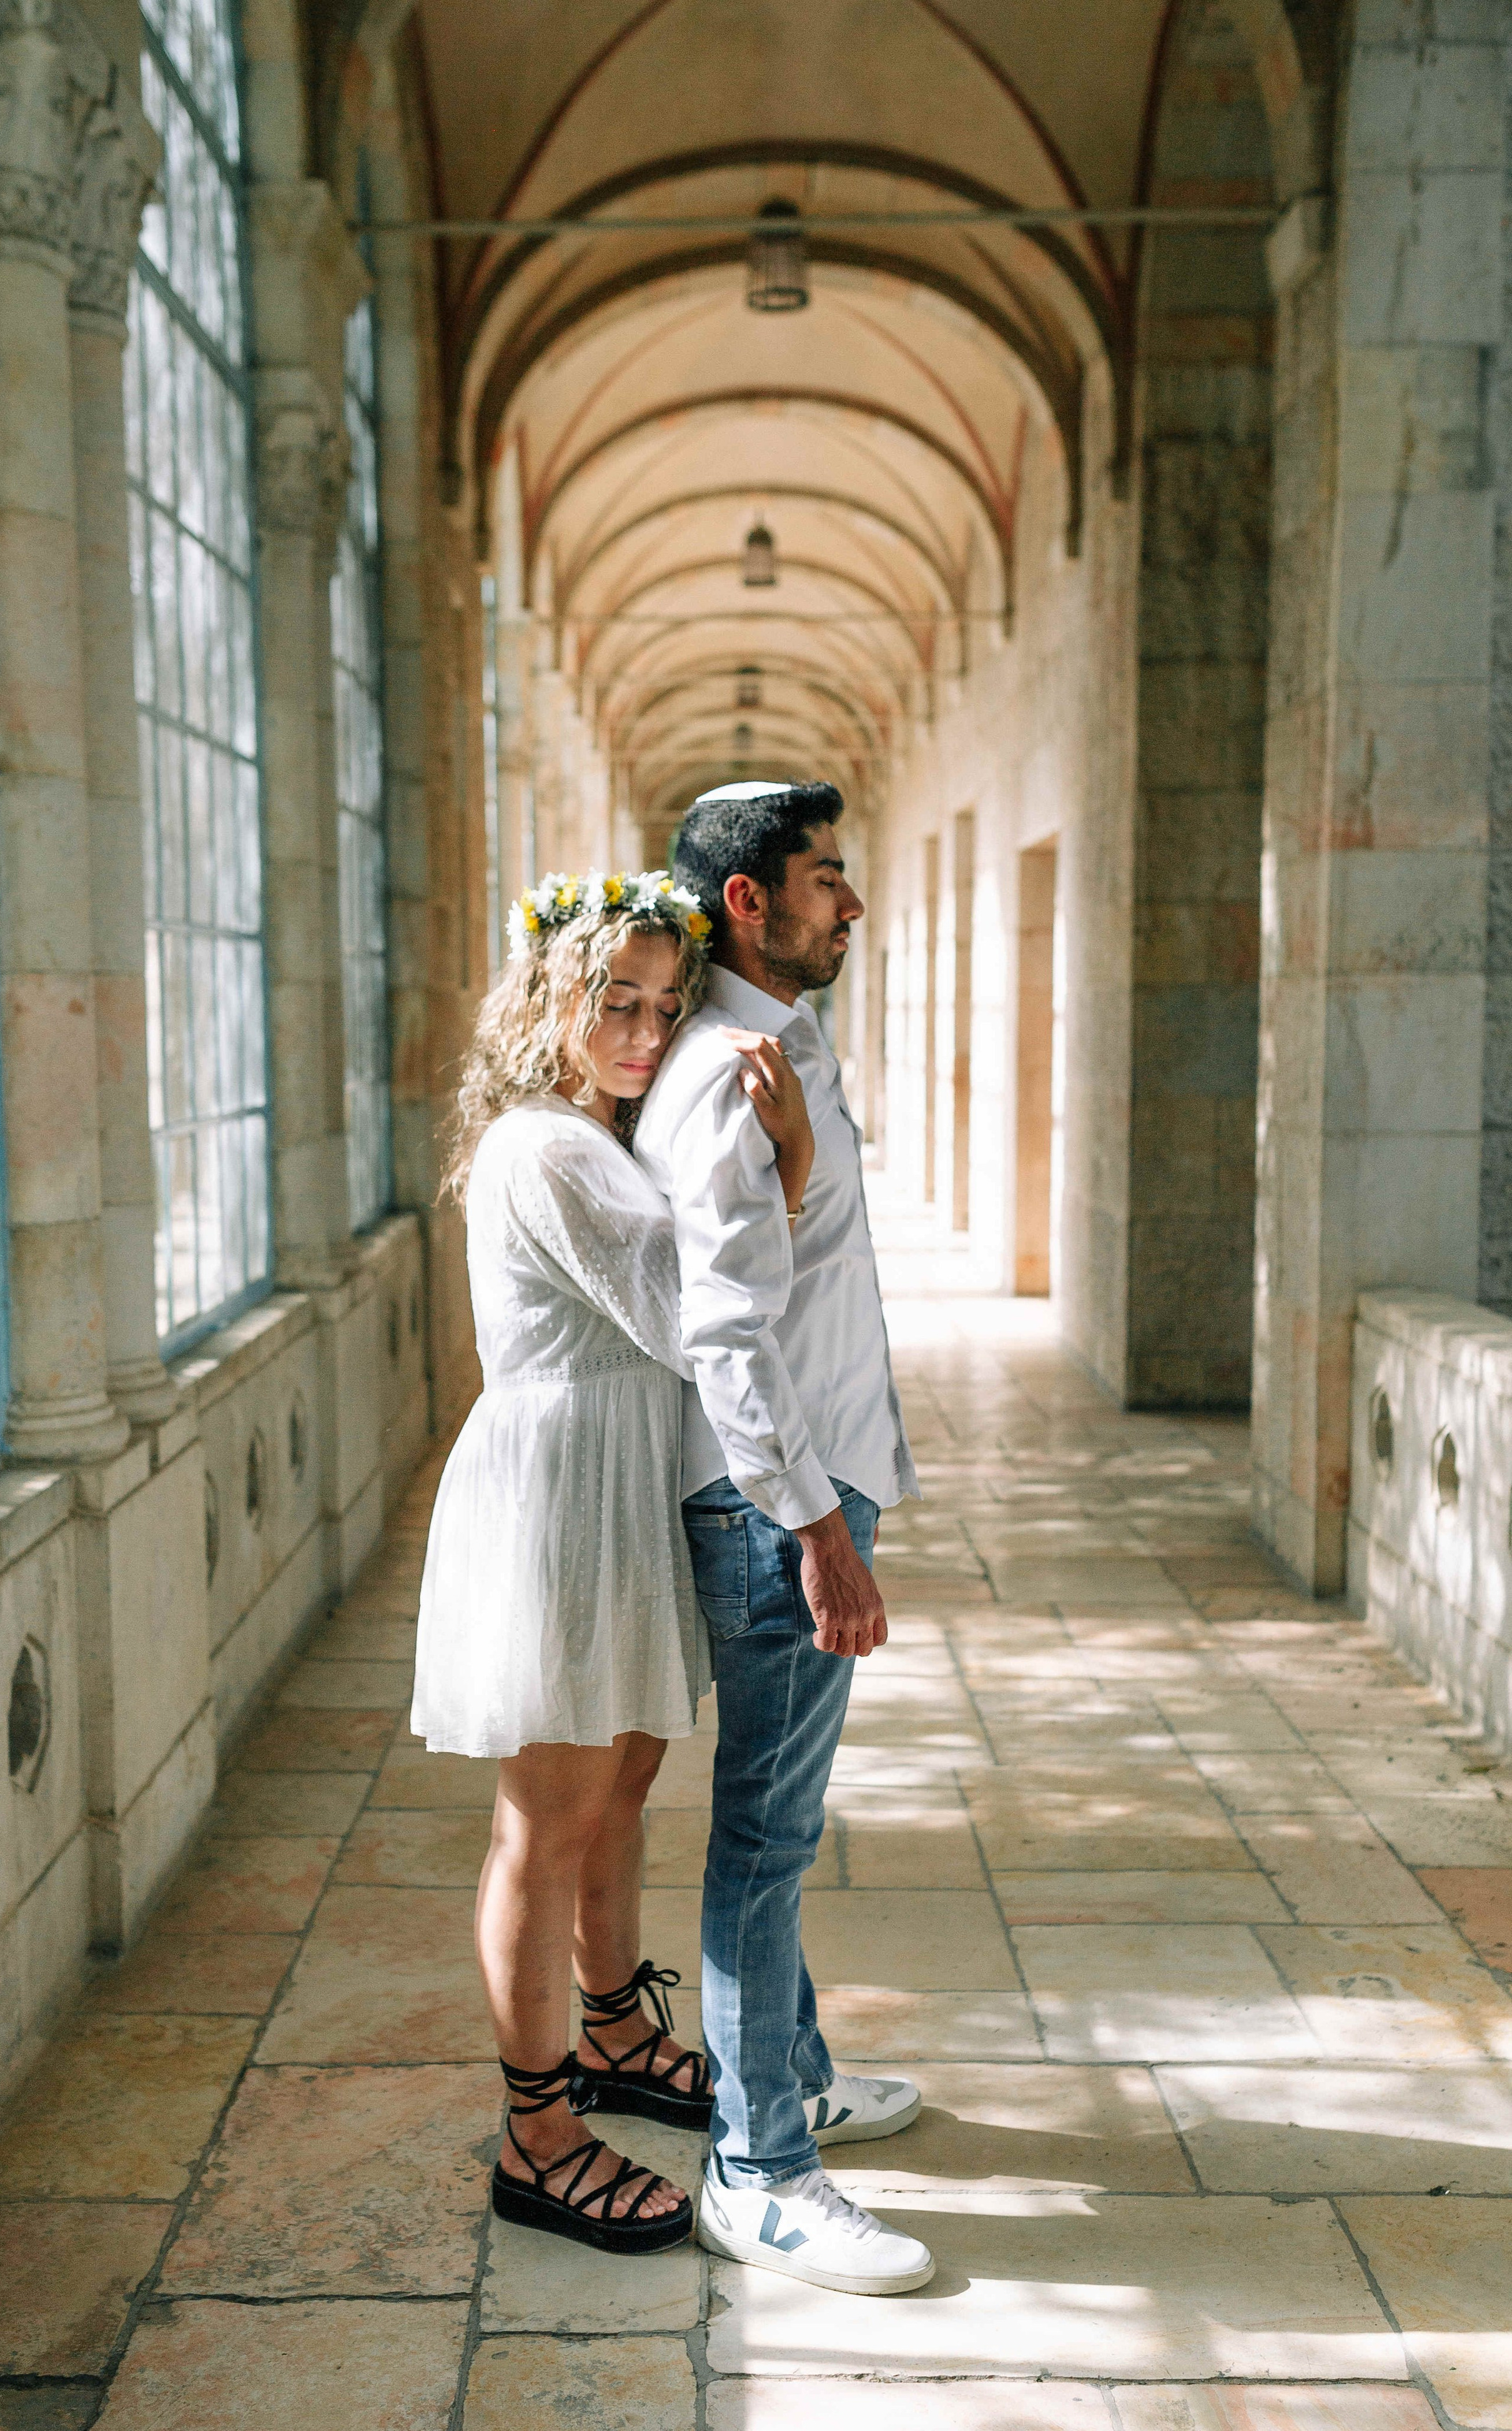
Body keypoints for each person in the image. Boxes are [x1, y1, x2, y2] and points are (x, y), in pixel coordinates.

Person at [412, 868, 815, 2257]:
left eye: (663, 1004)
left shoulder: (598, 1132)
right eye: (615, 1002)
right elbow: (681, 1312)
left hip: (619, 1480)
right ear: (550, 999)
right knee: (553, 1808)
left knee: (626, 1773)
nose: (644, 1032)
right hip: (560, 1495)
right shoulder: (548, 1147)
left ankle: (616, 2028)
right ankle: (537, 2129)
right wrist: (795, 1175)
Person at [633, 780, 935, 2298]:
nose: (851, 903)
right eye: (826, 878)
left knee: (780, 1829)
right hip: (775, 1505)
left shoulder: (780, 1053)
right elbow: (728, 1334)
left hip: (809, 1483)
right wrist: (818, 1527)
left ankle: (794, 2076)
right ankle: (759, 2169)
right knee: (763, 1840)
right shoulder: (720, 1074)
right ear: (746, 900)